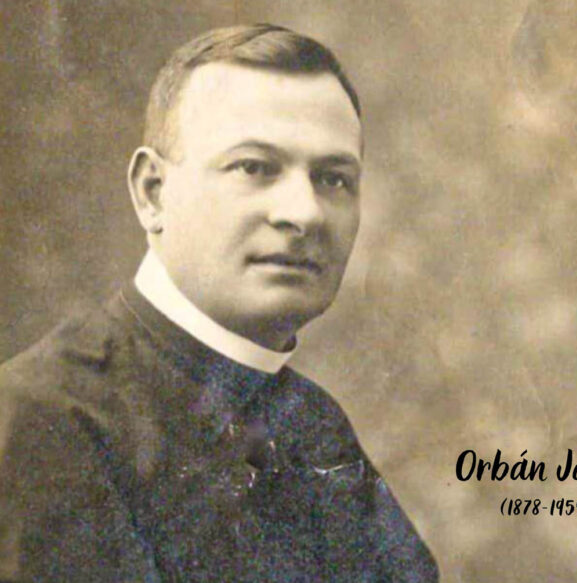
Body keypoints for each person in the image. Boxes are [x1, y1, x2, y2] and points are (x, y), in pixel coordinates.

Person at [0, 24, 438, 581]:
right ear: (152, 192)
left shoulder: (314, 422)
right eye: (254, 168)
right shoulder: (46, 419)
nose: (304, 213)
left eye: (332, 179)